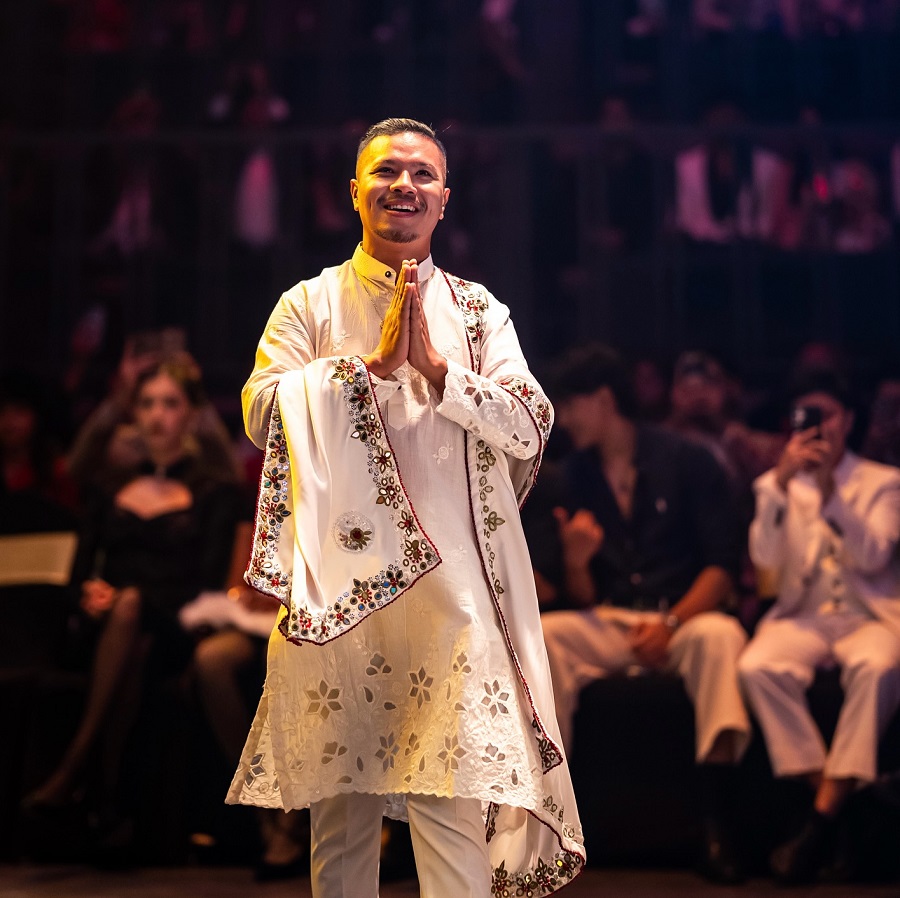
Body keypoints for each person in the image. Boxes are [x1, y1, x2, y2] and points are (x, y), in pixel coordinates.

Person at [225, 118, 584, 897]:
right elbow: (260, 411)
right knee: (341, 815)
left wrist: (440, 372)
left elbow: (530, 422)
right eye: (387, 171)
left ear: (445, 200)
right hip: (340, 598)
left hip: (453, 601)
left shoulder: (479, 313)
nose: (405, 186)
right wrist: (368, 369)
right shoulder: (310, 303)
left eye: (423, 174)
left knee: (451, 809)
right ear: (356, 192)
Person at [538, 342, 750, 883]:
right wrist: (577, 561)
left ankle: (718, 822)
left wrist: (672, 623)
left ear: (604, 400)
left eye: (571, 404)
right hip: (612, 620)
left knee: (721, 637)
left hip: (684, 616)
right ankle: (552, 817)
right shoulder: (572, 475)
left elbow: (722, 567)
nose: (564, 419)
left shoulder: (686, 460)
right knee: (547, 634)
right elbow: (582, 600)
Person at [22, 352, 244, 857]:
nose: (157, 415)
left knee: (134, 616)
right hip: (108, 629)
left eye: (170, 403)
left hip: (176, 626)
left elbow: (208, 583)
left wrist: (127, 601)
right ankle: (110, 808)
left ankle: (79, 775)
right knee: (127, 626)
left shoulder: (212, 490)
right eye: (146, 404)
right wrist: (90, 594)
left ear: (192, 414)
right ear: (132, 412)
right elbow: (80, 570)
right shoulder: (109, 485)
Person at [738, 367, 900, 885]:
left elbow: (873, 558)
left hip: (868, 615)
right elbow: (765, 561)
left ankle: (819, 821)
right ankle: (838, 804)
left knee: (878, 667)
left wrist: (832, 491)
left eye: (827, 415)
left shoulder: (883, 482)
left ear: (848, 419)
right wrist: (779, 486)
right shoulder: (775, 484)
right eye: (806, 416)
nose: (818, 426)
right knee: (758, 666)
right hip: (803, 615)